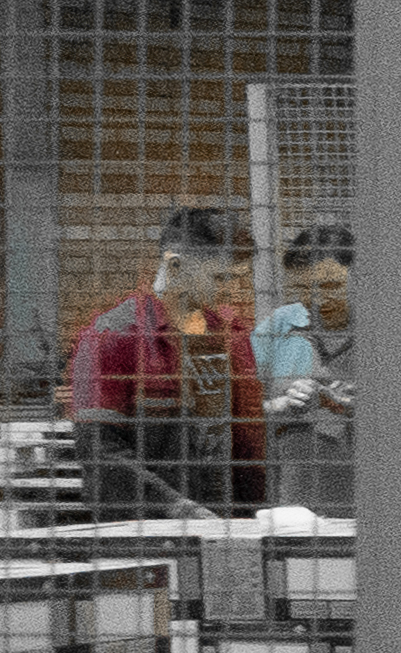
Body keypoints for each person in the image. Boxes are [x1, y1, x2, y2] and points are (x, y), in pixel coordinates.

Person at [67, 202, 264, 513]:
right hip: (149, 533)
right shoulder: (114, 336)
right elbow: (99, 450)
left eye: (240, 279)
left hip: (227, 524)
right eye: (221, 279)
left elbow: (246, 441)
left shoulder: (231, 333)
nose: (234, 291)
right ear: (175, 265)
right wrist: (176, 508)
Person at [259, 220, 358, 513]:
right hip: (299, 505)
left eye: (331, 285)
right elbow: (237, 412)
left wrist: (348, 403)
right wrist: (282, 404)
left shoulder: (397, 330)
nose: (316, 300)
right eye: (305, 288)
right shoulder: (278, 327)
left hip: (378, 503)